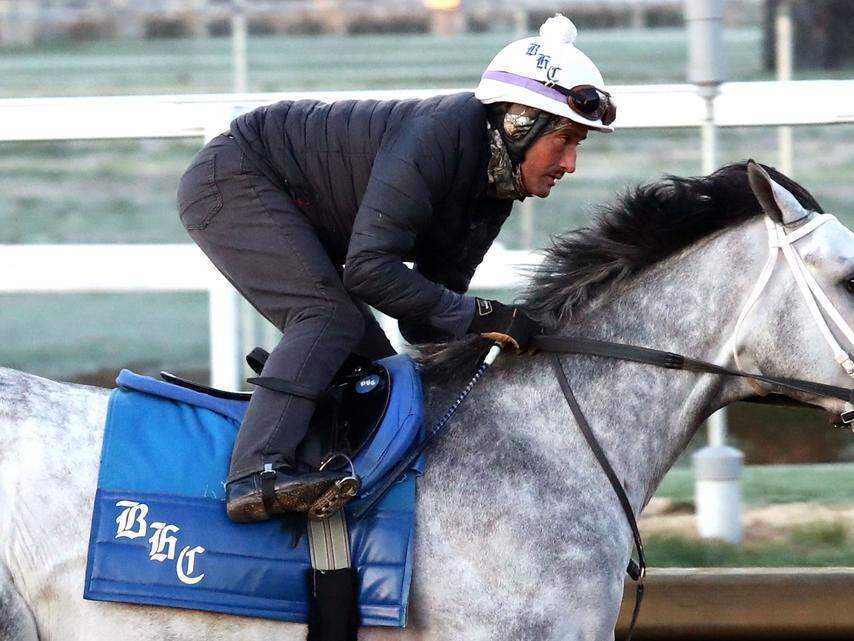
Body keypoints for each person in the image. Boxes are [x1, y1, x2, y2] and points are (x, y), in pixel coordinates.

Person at [175, 14, 617, 523]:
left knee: (381, 370)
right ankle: (255, 476)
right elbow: (368, 272)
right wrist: (485, 316)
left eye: (578, 145)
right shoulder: (436, 139)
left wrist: (504, 340)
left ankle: (325, 477)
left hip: (291, 199)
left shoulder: (493, 191)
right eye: (564, 140)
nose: (570, 163)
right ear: (520, 123)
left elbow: (423, 319)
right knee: (327, 318)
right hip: (234, 176)